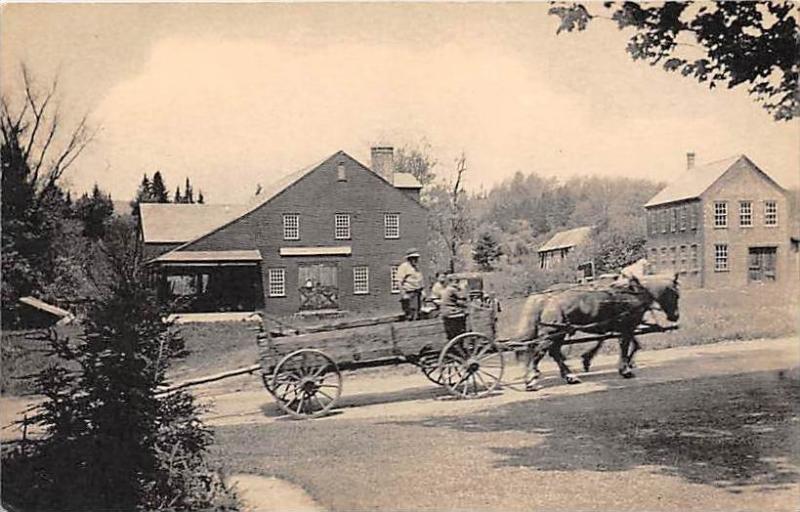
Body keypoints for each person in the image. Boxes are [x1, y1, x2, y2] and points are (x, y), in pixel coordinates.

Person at [397, 248, 424, 321]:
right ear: (409, 258)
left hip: (417, 293)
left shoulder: (416, 268)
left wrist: (422, 291)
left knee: (418, 311)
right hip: (409, 293)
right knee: (411, 313)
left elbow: (419, 280)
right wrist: (403, 294)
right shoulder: (404, 267)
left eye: (416, 258)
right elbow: (399, 282)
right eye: (413, 258)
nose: (415, 260)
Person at [441, 275, 468, 340]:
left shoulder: (447, 289)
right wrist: (463, 287)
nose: (457, 284)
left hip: (446, 311)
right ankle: (463, 333)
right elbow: (463, 296)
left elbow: (454, 301)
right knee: (466, 314)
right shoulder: (452, 289)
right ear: (452, 282)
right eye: (456, 282)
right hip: (451, 312)